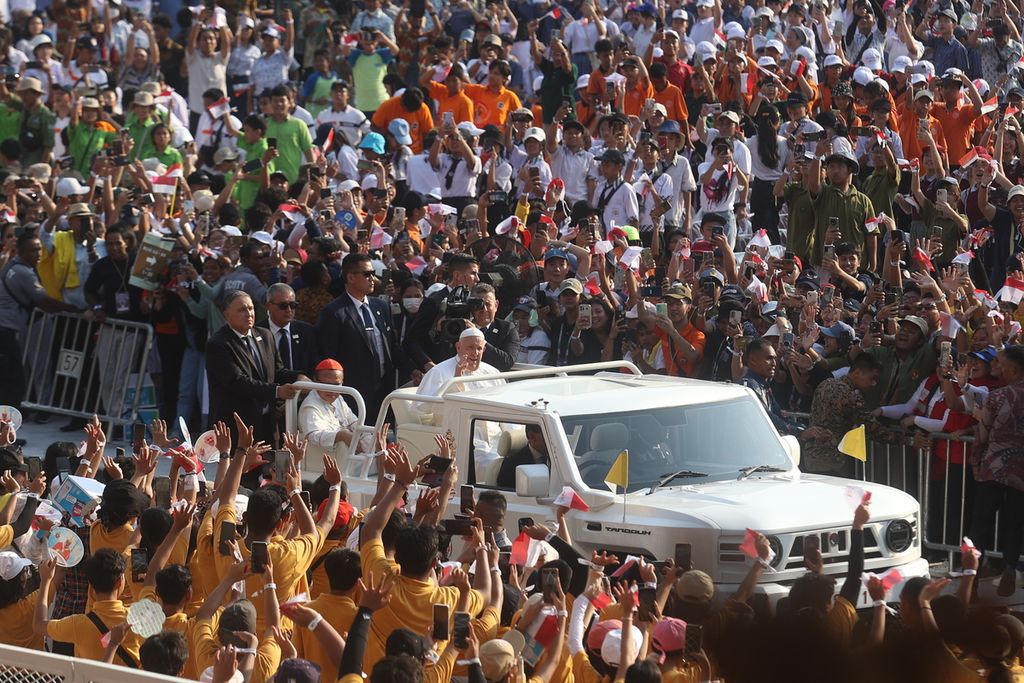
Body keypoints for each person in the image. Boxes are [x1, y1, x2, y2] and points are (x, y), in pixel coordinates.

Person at [316, 253, 414, 422]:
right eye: (367, 274)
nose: (372, 279)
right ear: (351, 277)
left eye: (373, 274)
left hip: (384, 389)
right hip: (354, 394)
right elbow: (328, 356)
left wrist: (413, 370)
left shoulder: (381, 306)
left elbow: (391, 346)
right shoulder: (333, 312)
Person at [205, 290, 302, 448]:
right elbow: (237, 382)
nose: (249, 314)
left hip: (266, 424)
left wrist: (299, 377)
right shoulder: (218, 344)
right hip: (237, 428)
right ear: (226, 314)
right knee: (240, 473)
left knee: (270, 472)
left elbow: (277, 372)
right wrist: (277, 391)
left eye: (251, 308)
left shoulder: (265, 335)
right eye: (242, 310)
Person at [969, 344, 1024, 596]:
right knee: (1014, 524)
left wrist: (975, 464)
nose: (996, 367)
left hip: (993, 468)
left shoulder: (999, 396)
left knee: (980, 524)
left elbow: (981, 436)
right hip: (1021, 473)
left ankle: (973, 576)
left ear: (1013, 370)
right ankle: (1010, 566)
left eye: (1000, 363)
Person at [0, 231, 79, 408]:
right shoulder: (22, 272)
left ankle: (28, 406)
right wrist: (74, 309)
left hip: (18, 327)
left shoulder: (12, 267)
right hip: (24, 326)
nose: (38, 254)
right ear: (20, 252)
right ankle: (39, 406)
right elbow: (45, 301)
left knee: (26, 369)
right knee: (35, 367)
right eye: (33, 251)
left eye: (39, 250)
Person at [802, 353, 883, 477]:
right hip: (833, 464)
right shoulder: (850, 396)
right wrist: (909, 440)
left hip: (810, 459)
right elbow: (873, 428)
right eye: (872, 378)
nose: (874, 384)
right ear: (857, 373)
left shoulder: (824, 384)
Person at [299, 358, 373, 456]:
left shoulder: (338, 399)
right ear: (316, 381)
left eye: (337, 385)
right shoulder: (310, 405)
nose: (332, 390)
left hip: (344, 455)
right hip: (325, 459)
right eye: (327, 384)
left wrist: (367, 436)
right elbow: (313, 436)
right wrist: (341, 435)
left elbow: (353, 422)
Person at [415, 327, 505, 399]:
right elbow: (423, 408)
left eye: (479, 348)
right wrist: (456, 380)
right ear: (458, 347)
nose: (475, 353)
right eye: (470, 347)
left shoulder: (493, 373)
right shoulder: (438, 372)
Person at [257, 283, 319, 376]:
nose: (289, 310)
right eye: (283, 305)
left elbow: (314, 364)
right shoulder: (257, 333)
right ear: (269, 306)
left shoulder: (306, 331)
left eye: (293, 305)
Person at [469, 283, 520, 371]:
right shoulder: (462, 328)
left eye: (488, 304)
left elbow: (507, 362)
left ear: (496, 305)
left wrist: (478, 339)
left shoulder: (507, 329)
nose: (484, 309)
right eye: (479, 304)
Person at [496, 423, 549, 487]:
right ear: (532, 437)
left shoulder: (558, 457)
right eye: (549, 435)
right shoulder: (512, 464)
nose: (554, 440)